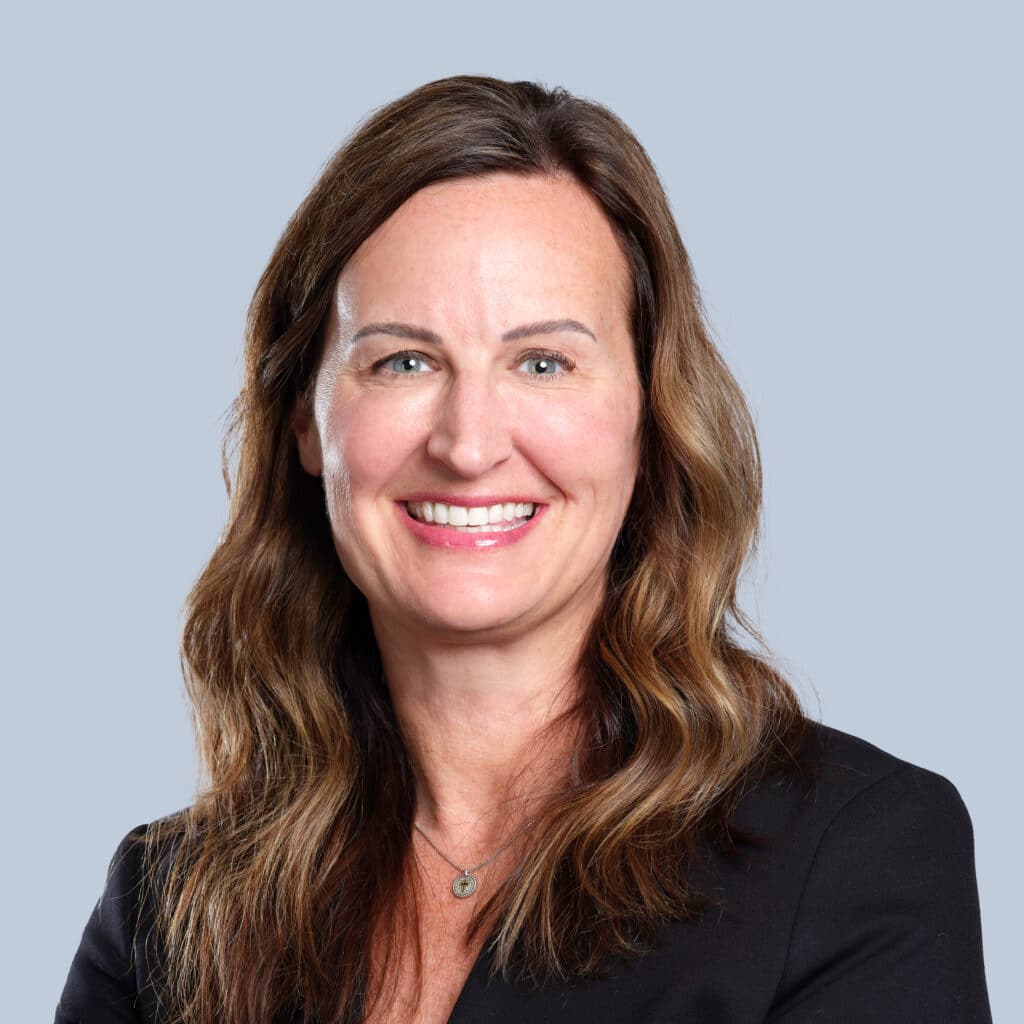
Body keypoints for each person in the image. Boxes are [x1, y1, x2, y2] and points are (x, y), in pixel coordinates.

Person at [55, 74, 992, 1024]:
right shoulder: (168, 908)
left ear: (650, 414)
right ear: (306, 418)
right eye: (402, 361)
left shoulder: (853, 858)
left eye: (544, 363)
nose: (468, 444)